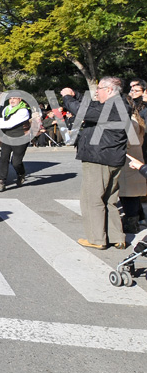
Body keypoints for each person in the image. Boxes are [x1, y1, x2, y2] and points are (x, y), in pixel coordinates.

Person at [61, 78, 130, 250]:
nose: (96, 92)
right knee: (110, 199)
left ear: (109, 89)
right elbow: (91, 108)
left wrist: (67, 98)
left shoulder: (111, 106)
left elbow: (82, 111)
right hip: (113, 158)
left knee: (92, 199)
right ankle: (117, 237)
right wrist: (76, 94)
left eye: (99, 89)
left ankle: (96, 239)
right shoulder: (118, 104)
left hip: (99, 158)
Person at [0, 96, 31, 191]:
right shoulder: (7, 109)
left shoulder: (23, 111)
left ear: (20, 99)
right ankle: (1, 182)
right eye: (10, 98)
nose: (12, 100)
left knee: (16, 162)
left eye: (15, 98)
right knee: (3, 158)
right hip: (7, 137)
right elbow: (3, 120)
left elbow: (10, 123)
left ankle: (21, 174)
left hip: (20, 137)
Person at [119, 97, 147, 231]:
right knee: (134, 194)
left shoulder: (128, 122)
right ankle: (138, 218)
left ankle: (131, 224)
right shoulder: (137, 121)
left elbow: (126, 143)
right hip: (136, 158)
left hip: (128, 162)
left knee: (127, 195)